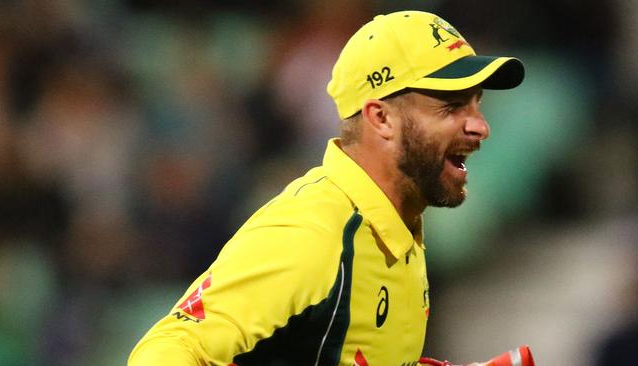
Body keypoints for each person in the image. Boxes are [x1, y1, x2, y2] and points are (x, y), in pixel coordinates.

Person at [128, 10, 524, 366]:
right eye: (451, 107)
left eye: (477, 103)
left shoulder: (395, 225)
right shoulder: (313, 233)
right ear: (381, 118)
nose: (480, 126)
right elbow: (164, 350)